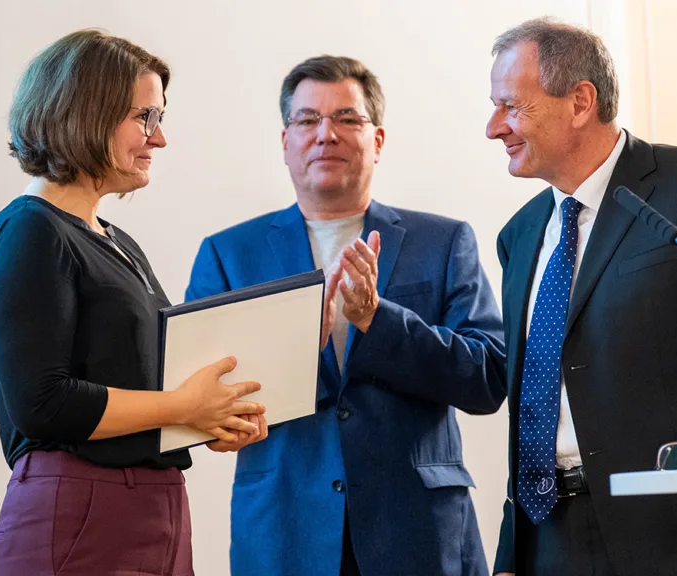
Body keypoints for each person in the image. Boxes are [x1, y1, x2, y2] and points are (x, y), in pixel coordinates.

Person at [485, 18, 677, 576]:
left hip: (676, 544)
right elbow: (529, 401)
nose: (493, 127)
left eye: (512, 106)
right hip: (546, 542)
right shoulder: (519, 234)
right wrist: (512, 555)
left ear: (580, 101)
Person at [184, 55, 507, 576]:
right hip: (285, 532)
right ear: (285, 141)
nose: (325, 134)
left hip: (418, 533)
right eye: (308, 120)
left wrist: (378, 321)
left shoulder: (444, 242)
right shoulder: (228, 254)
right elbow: (198, 407)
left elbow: (487, 379)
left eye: (347, 119)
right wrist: (292, 348)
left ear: (377, 139)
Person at [0, 30, 267, 575]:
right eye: (146, 118)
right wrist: (183, 408)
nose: (159, 140)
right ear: (87, 114)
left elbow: (144, 388)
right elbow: (43, 403)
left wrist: (212, 420)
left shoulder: (115, 240)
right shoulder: (30, 230)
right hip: (81, 511)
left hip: (155, 510)